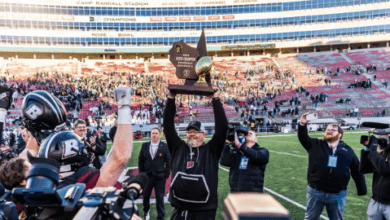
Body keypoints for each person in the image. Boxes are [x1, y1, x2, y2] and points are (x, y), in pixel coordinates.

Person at [163, 88, 228, 220]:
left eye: (195, 131)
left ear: (203, 135)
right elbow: (168, 126)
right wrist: (170, 99)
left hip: (204, 210)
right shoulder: (178, 147)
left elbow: (222, 128)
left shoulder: (211, 150)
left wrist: (216, 99)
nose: (191, 134)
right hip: (179, 209)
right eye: (189, 131)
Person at [298, 113, 367, 220]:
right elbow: (303, 137)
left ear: (340, 135)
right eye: (327, 129)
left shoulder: (347, 150)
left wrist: (362, 190)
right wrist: (302, 124)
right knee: (310, 218)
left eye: (333, 130)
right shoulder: (315, 144)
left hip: (337, 194)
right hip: (316, 192)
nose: (329, 131)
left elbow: (357, 170)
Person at [220, 128, 269, 192]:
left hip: (253, 193)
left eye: (251, 133)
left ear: (256, 140)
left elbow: (257, 156)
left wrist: (240, 145)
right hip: (235, 192)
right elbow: (224, 161)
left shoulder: (263, 151)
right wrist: (226, 143)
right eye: (246, 133)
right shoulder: (236, 151)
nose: (248, 133)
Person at [138, 127, 171, 220]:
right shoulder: (145, 145)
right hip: (147, 177)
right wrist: (142, 173)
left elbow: (168, 161)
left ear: (160, 135)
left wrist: (166, 174)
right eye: (153, 133)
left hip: (160, 177)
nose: (154, 135)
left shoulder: (164, 146)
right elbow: (141, 161)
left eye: (156, 133)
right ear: (150, 134)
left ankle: (160, 217)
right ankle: (146, 211)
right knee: (145, 196)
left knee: (159, 198)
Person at [359, 134, 390, 220]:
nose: (381, 138)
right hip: (376, 201)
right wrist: (367, 150)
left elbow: (385, 169)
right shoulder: (382, 155)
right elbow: (364, 169)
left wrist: (373, 150)